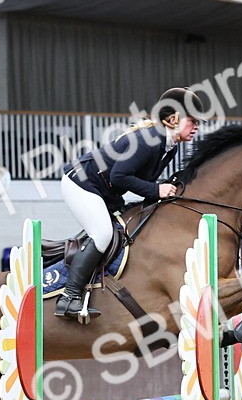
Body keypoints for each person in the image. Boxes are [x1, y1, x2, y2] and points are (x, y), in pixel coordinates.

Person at [56, 87, 204, 320]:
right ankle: (68, 297)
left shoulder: (169, 146)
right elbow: (119, 177)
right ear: (173, 118)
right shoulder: (149, 140)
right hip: (81, 183)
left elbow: (140, 180)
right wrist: (157, 190)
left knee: (119, 231)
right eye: (193, 120)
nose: (197, 126)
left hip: (105, 190)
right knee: (103, 234)